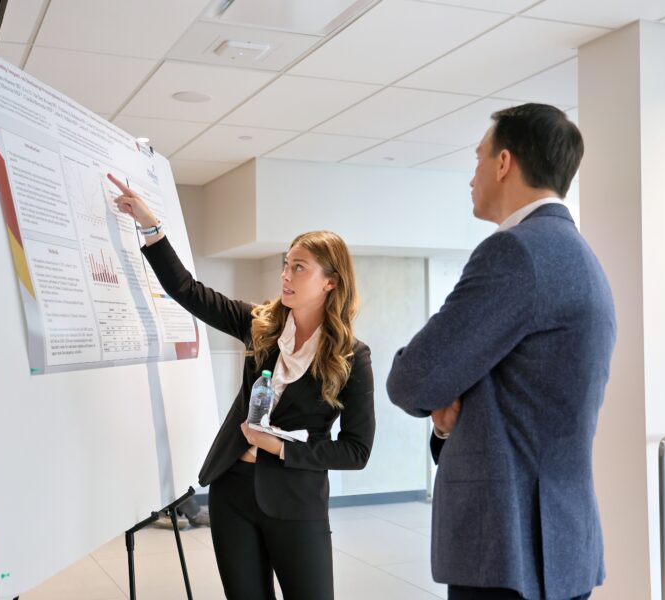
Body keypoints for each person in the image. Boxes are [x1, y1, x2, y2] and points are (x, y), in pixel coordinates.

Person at [386, 104, 616, 600]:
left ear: (504, 162)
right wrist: (449, 423)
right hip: (561, 545)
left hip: (509, 549)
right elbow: (526, 399)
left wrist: (440, 399)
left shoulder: (515, 252)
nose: (472, 176)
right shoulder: (581, 257)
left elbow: (413, 380)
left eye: (477, 159)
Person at [107, 174, 375, 600]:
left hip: (295, 500)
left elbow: (356, 451)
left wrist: (279, 447)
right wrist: (151, 227)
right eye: (286, 264)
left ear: (331, 281)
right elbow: (187, 290)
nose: (285, 275)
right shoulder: (261, 325)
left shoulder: (350, 356)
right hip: (233, 492)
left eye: (299, 267)